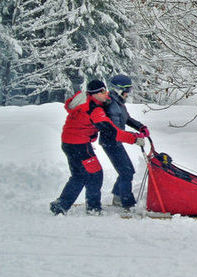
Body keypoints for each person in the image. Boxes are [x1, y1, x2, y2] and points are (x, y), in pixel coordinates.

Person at [50, 79, 145, 215]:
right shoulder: (95, 110)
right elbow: (112, 131)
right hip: (79, 145)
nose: (106, 93)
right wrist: (134, 138)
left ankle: (61, 205)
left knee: (79, 175)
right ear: (96, 93)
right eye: (103, 91)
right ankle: (92, 207)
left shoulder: (86, 102)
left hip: (69, 142)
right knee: (94, 174)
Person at [100, 74, 149, 210]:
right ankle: (125, 201)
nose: (129, 93)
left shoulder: (119, 103)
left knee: (128, 171)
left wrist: (140, 127)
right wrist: (134, 138)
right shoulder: (111, 104)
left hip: (116, 141)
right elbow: (114, 130)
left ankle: (117, 196)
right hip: (110, 142)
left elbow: (127, 118)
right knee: (126, 172)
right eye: (127, 89)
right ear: (118, 89)